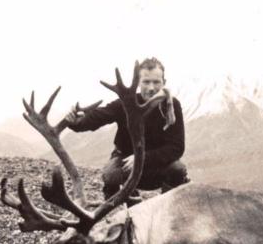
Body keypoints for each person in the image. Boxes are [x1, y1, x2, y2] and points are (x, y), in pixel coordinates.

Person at [66, 58, 189, 204]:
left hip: (157, 165)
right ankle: (128, 206)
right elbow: (99, 117)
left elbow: (176, 148)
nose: (151, 88)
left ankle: (169, 206)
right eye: (146, 82)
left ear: (164, 82)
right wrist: (76, 122)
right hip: (125, 162)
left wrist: (142, 158)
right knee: (111, 175)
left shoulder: (172, 106)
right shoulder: (126, 104)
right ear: (138, 82)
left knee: (178, 170)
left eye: (156, 82)